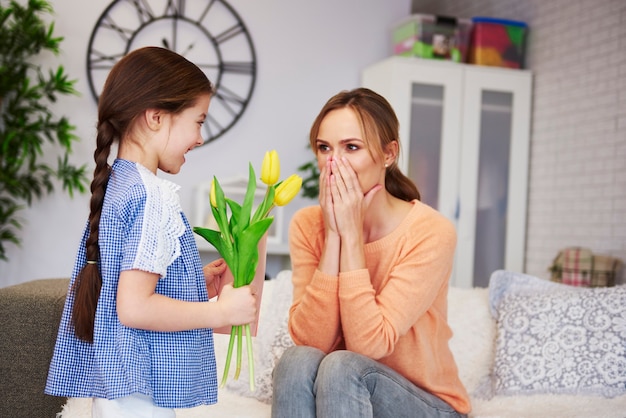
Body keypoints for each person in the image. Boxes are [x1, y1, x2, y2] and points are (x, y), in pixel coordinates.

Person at [45, 46, 257, 417]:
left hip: (117, 386)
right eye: (199, 120)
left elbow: (122, 284)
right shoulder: (152, 194)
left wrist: (190, 284)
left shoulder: (119, 184)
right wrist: (220, 311)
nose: (200, 137)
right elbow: (135, 307)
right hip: (140, 390)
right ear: (157, 117)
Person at [272, 88, 471, 417]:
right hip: (345, 394)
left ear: (389, 154)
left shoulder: (431, 231)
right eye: (324, 148)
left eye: (351, 147)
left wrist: (350, 234)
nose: (333, 163)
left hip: (429, 404)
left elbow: (369, 347)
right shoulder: (307, 225)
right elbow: (311, 342)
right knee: (296, 359)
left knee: (342, 367)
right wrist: (334, 234)